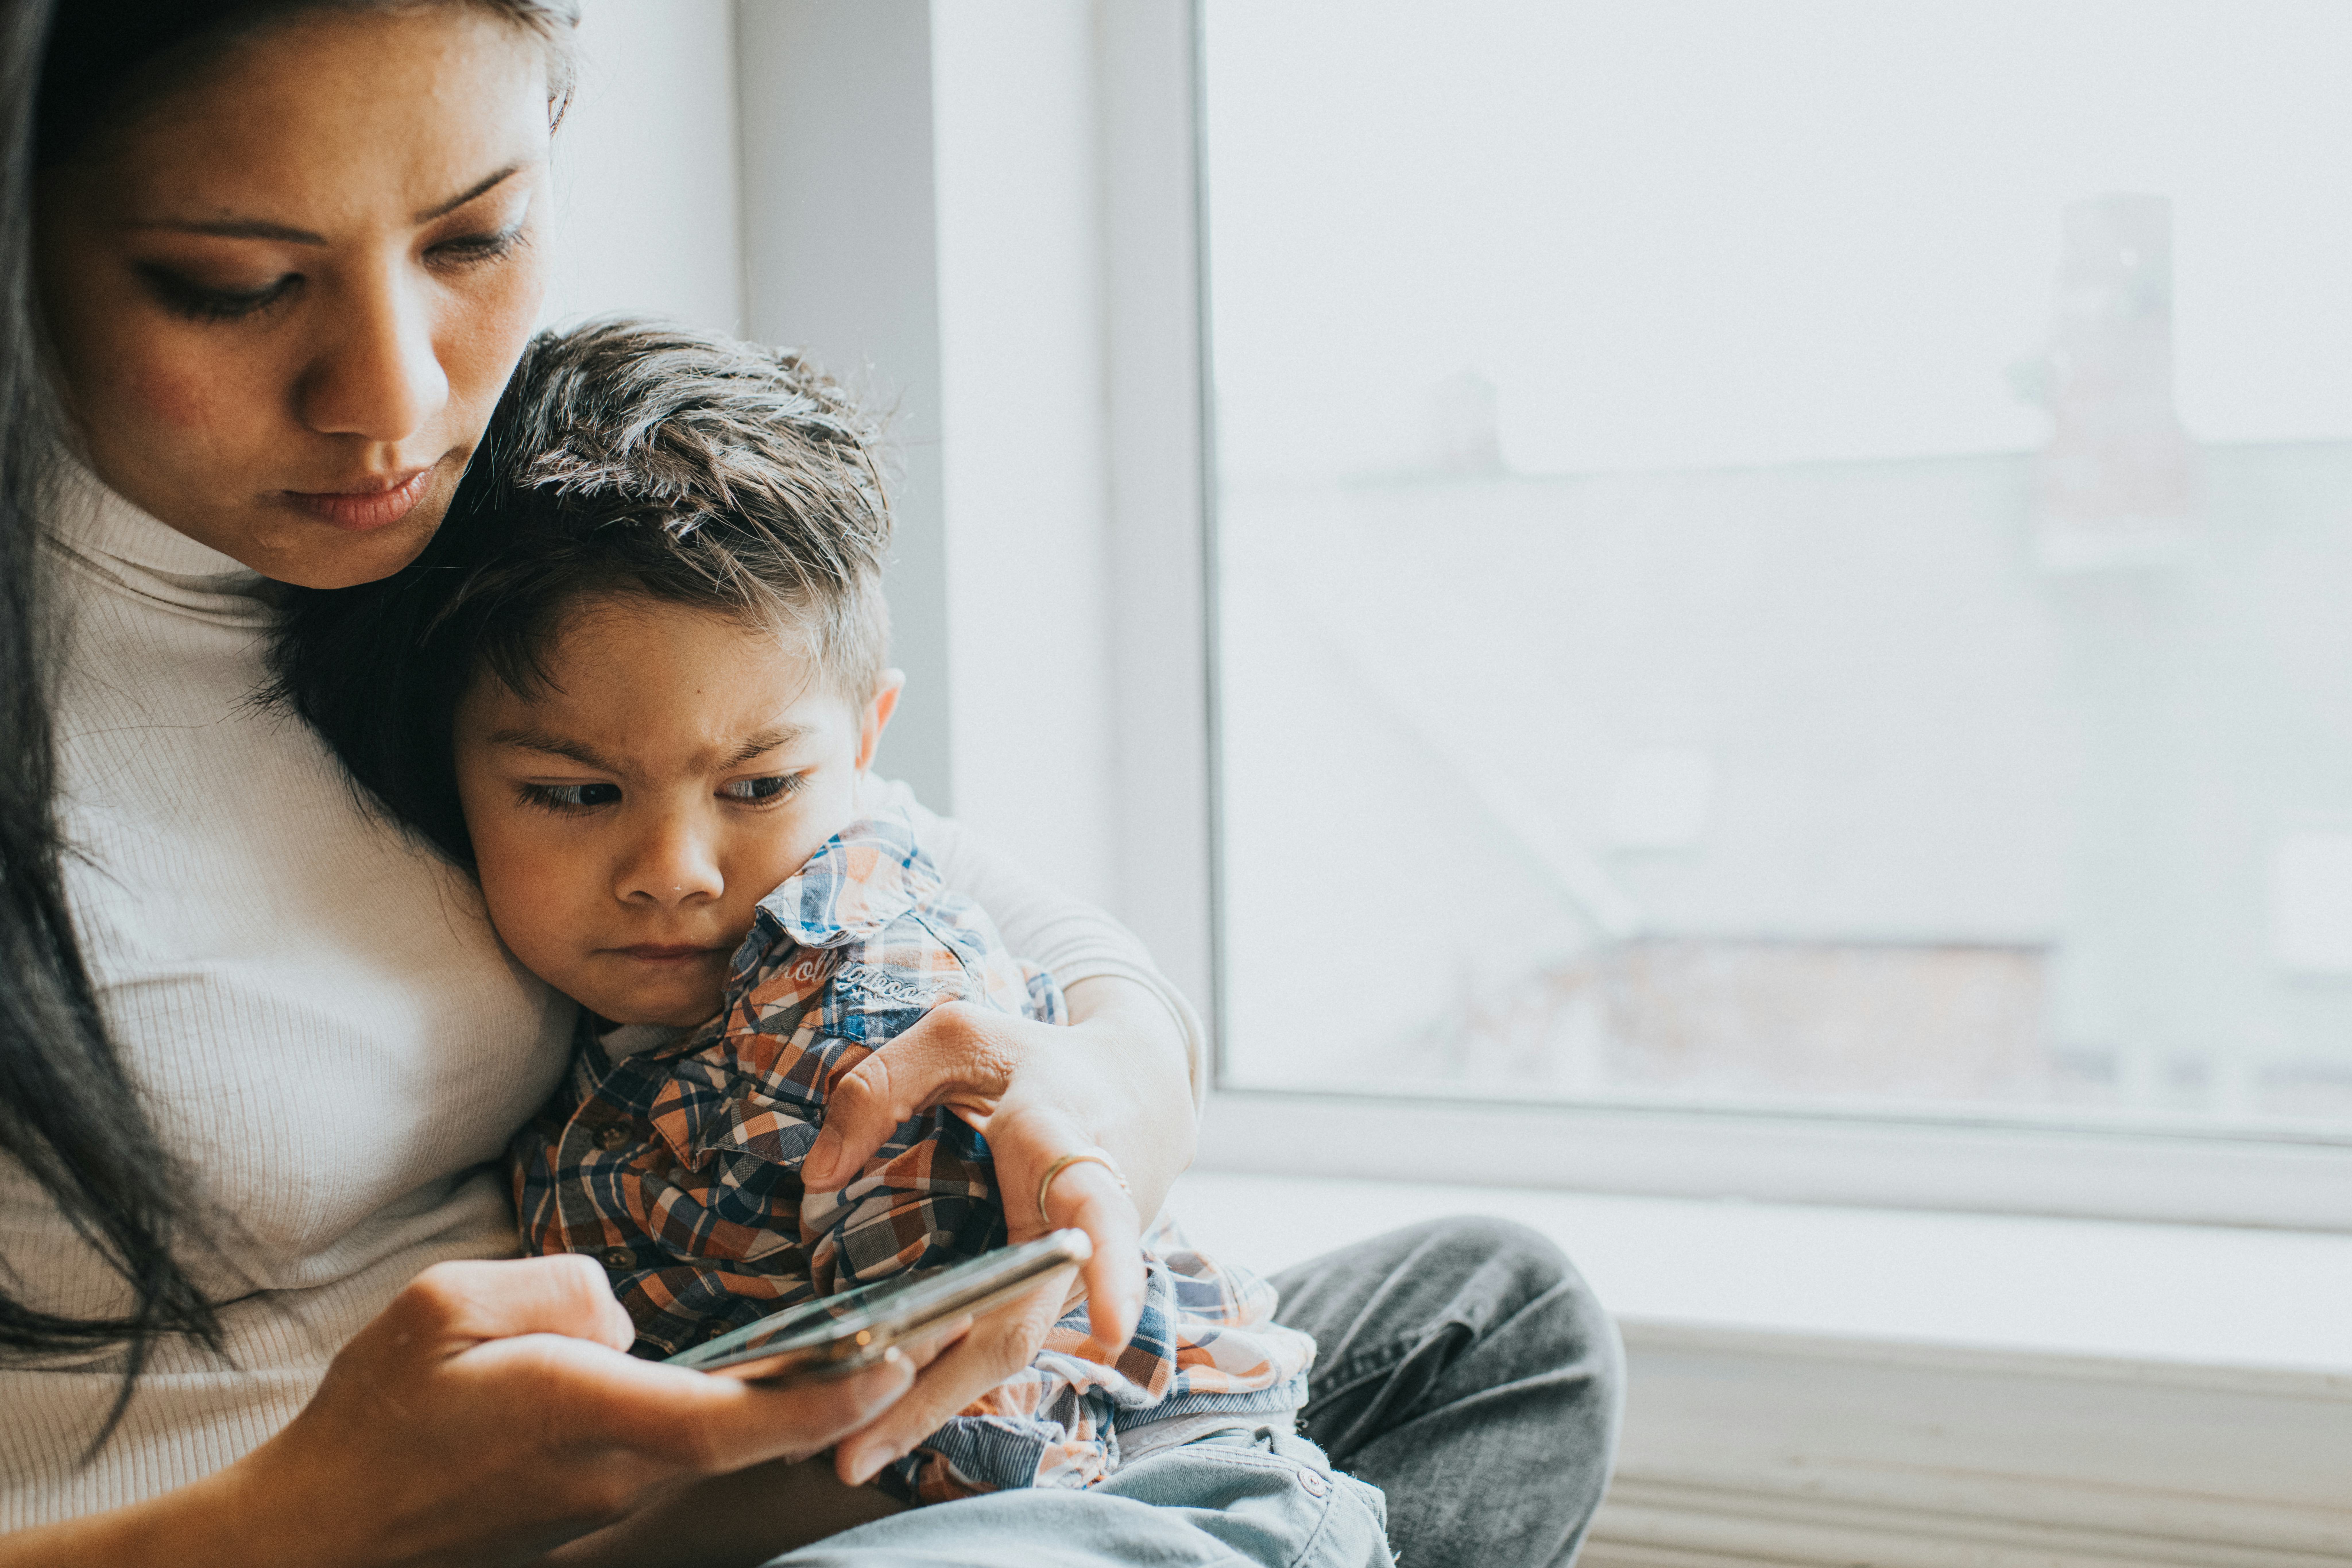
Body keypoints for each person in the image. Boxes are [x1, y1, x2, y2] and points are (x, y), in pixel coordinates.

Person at [0, 1, 1623, 1564]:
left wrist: (1111, 1092)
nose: (399, 400)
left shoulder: (463, 539)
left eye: (473, 240)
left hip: (727, 1457)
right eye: (233, 283)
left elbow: (909, 863)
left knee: (1498, 1312)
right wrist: (292, 1530)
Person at [271, 316, 1334, 1515]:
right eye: (574, 794)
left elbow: (957, 1456)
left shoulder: (860, 991)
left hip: (1083, 1470)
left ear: (864, 745)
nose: (674, 870)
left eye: (757, 789)